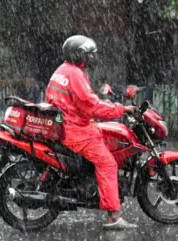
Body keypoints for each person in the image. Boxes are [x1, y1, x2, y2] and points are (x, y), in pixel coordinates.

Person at [45, 35, 138, 230]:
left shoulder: (62, 70)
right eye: (89, 55)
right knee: (108, 164)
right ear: (79, 55)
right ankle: (113, 218)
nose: (93, 59)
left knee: (102, 140)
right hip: (76, 130)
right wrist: (121, 109)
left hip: (66, 125)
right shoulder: (75, 75)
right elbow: (93, 107)